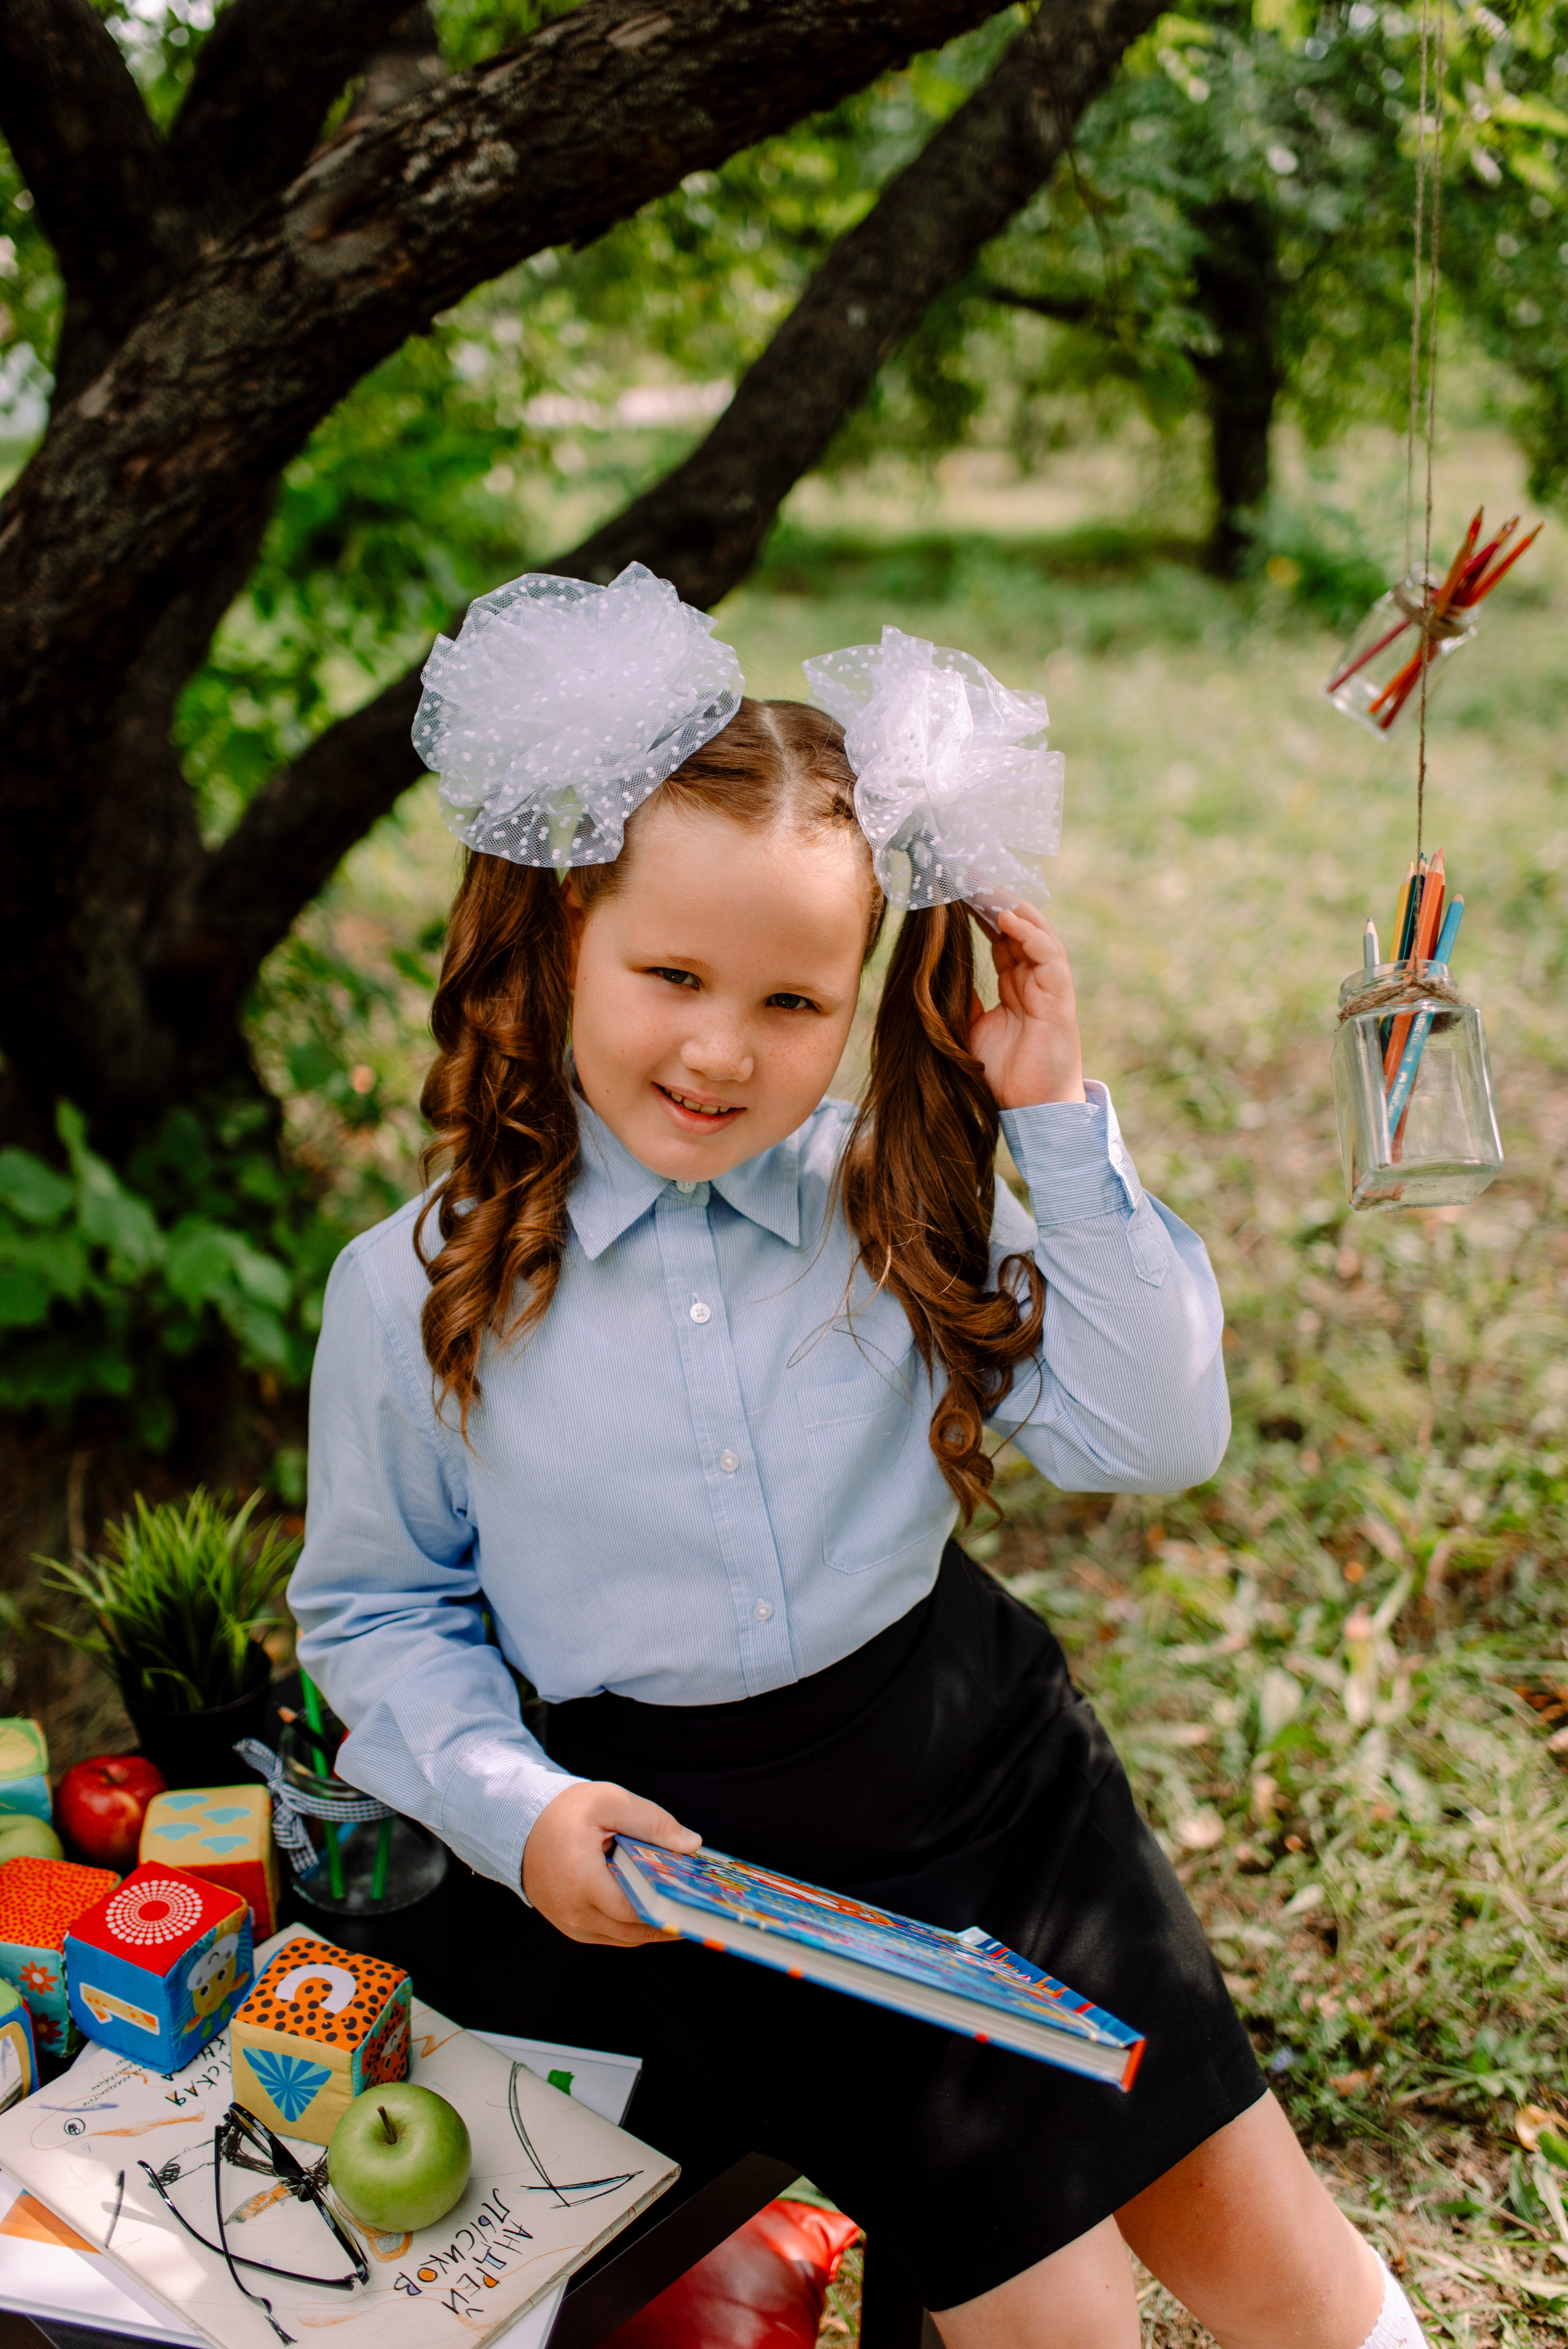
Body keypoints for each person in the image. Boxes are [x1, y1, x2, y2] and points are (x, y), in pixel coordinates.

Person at [291, 565, 1421, 2349]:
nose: (722, 1049)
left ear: (863, 996)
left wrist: (1050, 1108)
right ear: (565, 931)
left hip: (990, 1772)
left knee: (1266, 2246)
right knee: (1058, 2321)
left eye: (795, 1003)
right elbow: (376, 1614)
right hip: (742, 1874)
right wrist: (529, 1812)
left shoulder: (893, 1202)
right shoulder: (415, 1294)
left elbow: (1158, 1429)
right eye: (669, 973)